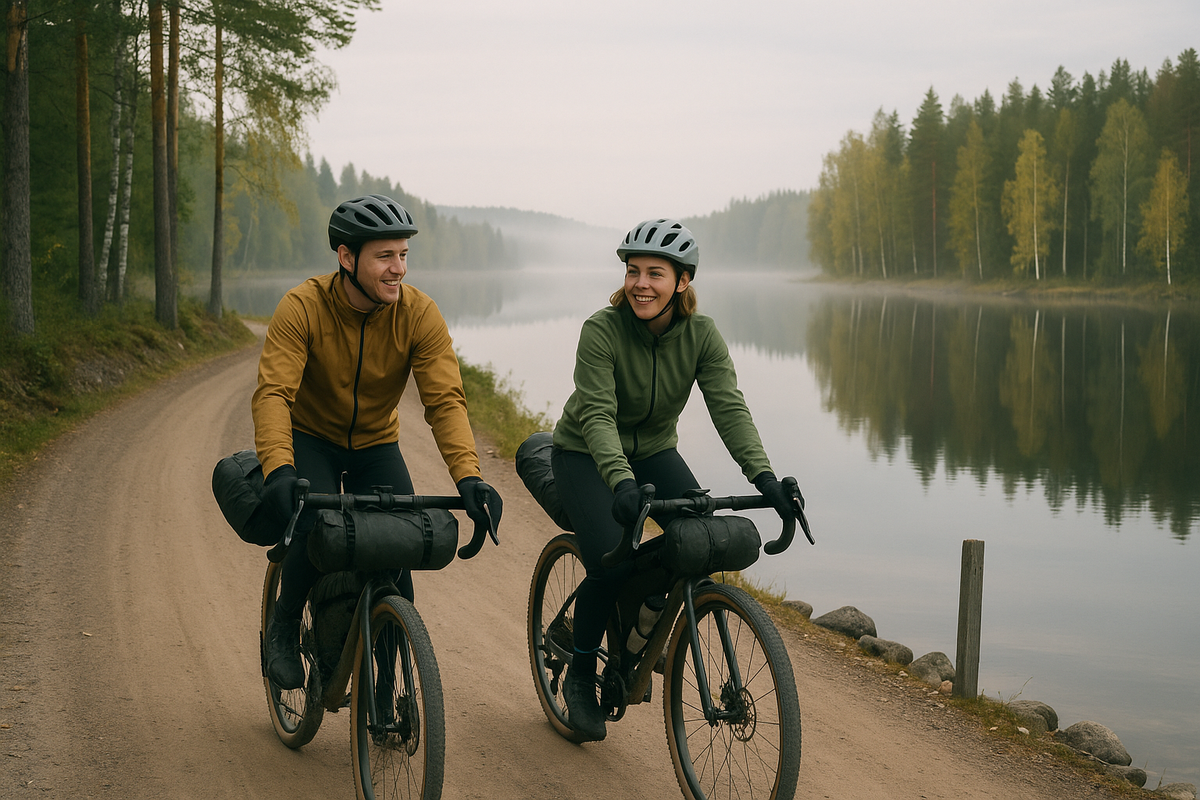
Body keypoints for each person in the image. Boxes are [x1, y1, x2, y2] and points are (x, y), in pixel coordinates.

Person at [550, 218, 801, 741]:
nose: (640, 283)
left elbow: (728, 407)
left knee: (699, 540)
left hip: (656, 451)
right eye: (633, 271)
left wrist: (765, 476)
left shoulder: (702, 335)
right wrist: (618, 483)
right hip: (584, 455)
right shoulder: (602, 330)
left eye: (655, 274)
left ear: (682, 281)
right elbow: (597, 415)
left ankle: (646, 622)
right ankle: (579, 672)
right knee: (608, 560)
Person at [253, 194, 502, 690]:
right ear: (347, 258)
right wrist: (279, 468)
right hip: (311, 436)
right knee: (310, 527)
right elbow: (274, 394)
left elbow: (445, 402)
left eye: (404, 255)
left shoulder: (418, 315)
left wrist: (469, 476)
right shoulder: (302, 307)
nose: (398, 269)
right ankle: (282, 624)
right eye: (385, 256)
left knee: (399, 545)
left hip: (375, 443)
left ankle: (386, 677)